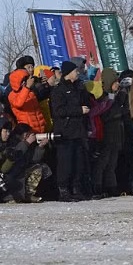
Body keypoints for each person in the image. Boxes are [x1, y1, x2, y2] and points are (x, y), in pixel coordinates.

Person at [51, 60, 91, 201]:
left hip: (79, 131)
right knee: (65, 162)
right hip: (65, 132)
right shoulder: (59, 90)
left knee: (78, 162)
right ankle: (63, 190)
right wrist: (78, 110)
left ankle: (76, 188)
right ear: (68, 73)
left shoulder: (78, 88)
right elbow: (58, 111)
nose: (77, 73)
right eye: (75, 71)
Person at [92, 69, 128, 198]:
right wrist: (121, 111)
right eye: (115, 82)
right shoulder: (102, 97)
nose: (117, 84)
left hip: (116, 136)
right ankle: (98, 186)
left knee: (112, 164)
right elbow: (104, 115)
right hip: (106, 136)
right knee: (103, 163)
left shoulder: (116, 96)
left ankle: (112, 187)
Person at [7, 69, 48, 134]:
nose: (25, 82)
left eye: (26, 80)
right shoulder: (12, 95)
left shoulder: (31, 92)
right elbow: (18, 103)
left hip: (41, 129)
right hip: (28, 131)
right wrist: (27, 87)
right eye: (22, 80)